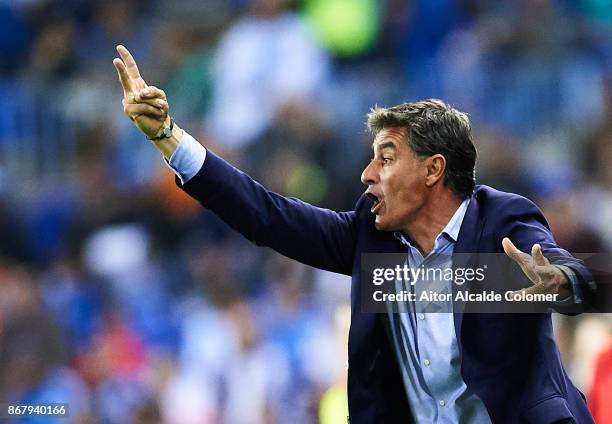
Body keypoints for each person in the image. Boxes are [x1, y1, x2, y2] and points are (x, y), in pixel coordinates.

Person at [113, 45, 596, 423]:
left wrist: (562, 280)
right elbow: (267, 215)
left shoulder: (500, 223)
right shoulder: (371, 239)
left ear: (433, 170)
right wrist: (168, 138)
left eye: (385, 159)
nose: (367, 174)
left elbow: (571, 271)